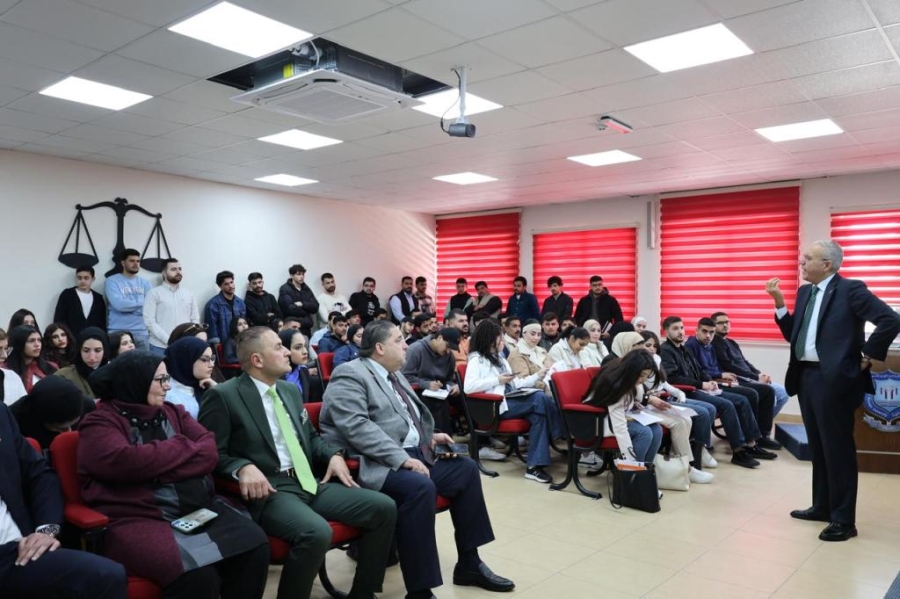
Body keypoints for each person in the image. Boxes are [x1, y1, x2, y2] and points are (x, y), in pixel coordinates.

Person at [320, 320, 515, 599]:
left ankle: (469, 563)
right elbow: (356, 427)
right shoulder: (350, 373)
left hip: (415, 453)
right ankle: (420, 590)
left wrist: (429, 436)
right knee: (421, 487)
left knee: (466, 470)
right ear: (379, 348)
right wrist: (401, 458)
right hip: (377, 462)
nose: (406, 345)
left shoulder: (394, 374)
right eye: (399, 340)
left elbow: (404, 419)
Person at [198, 327, 396, 599]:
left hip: (308, 480)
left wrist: (333, 455)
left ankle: (363, 593)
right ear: (257, 360)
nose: (286, 352)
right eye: (278, 347)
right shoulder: (224, 396)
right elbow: (210, 454)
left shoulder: (289, 390)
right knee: (316, 532)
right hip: (272, 489)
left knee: (383, 507)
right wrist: (241, 466)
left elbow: (310, 438)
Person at [79, 351, 270, 598]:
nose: (167, 386)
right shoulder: (100, 422)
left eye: (167, 378)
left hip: (197, 508)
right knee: (198, 575)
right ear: (135, 382)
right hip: (138, 517)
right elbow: (125, 463)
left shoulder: (172, 411)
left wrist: (156, 469)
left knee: (254, 545)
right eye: (160, 380)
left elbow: (209, 451)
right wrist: (182, 446)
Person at [766, 240, 900, 542]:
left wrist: (867, 356)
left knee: (837, 449)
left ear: (827, 264)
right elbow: (793, 335)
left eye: (807, 258)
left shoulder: (851, 290)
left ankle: (843, 520)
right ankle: (822, 506)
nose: (801, 263)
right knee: (819, 446)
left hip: (835, 380)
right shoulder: (805, 292)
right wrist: (779, 303)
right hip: (806, 377)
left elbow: (890, 320)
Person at [0, 402, 127, 599]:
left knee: (107, 576)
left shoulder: (1, 413)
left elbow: (40, 475)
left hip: (16, 551)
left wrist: (46, 530)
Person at [659, 316, 774, 468]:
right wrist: (702, 384)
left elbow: (699, 370)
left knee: (742, 400)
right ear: (666, 332)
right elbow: (673, 378)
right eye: (675, 328)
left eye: (681, 327)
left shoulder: (683, 348)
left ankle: (751, 444)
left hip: (700, 388)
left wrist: (710, 380)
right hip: (685, 392)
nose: (680, 332)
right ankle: (738, 451)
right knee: (727, 405)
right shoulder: (666, 350)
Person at [465, 319, 563, 484]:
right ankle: (559, 433)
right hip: (495, 405)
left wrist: (537, 376)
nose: (503, 341)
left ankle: (534, 467)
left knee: (539, 415)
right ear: (490, 340)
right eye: (500, 338)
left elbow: (515, 384)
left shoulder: (501, 359)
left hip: (510, 399)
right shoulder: (477, 360)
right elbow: (469, 387)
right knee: (540, 398)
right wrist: (497, 380)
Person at [608, 332, 712, 484]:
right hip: (606, 419)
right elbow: (618, 413)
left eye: (652, 346)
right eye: (641, 346)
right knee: (646, 432)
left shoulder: (638, 368)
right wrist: (630, 462)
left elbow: (639, 393)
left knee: (664, 427)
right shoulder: (617, 369)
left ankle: (649, 473)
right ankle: (635, 475)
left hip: (633, 410)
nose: (645, 350)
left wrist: (641, 400)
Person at [686, 317, 780, 449]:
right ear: (696, 330)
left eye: (711, 332)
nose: (708, 335)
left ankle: (762, 436)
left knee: (767, 390)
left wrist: (724, 375)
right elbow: (698, 371)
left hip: (719, 381)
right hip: (709, 385)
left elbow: (715, 367)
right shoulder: (690, 346)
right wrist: (719, 375)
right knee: (750, 394)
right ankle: (750, 439)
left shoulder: (710, 346)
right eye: (704, 331)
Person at [642, 330, 718, 469]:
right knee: (696, 415)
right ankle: (689, 464)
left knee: (694, 415)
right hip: (649, 405)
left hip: (664, 399)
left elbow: (664, 383)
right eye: (648, 345)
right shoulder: (638, 364)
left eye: (654, 346)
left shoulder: (657, 360)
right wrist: (651, 395)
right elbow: (639, 392)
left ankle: (691, 453)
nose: (652, 349)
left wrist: (679, 393)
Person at [583, 350, 663, 463]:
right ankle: (634, 469)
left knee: (657, 429)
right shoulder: (616, 385)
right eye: (642, 375)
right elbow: (619, 427)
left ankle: (646, 468)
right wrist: (629, 459)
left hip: (613, 415)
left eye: (647, 376)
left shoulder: (626, 375)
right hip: (597, 420)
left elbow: (630, 397)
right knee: (644, 433)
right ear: (632, 370)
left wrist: (633, 404)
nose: (644, 379)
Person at [711, 311, 791, 418]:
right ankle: (758, 424)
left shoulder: (732, 342)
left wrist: (759, 374)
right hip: (740, 379)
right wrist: (756, 377)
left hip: (751, 376)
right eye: (721, 323)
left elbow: (745, 362)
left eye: (727, 322)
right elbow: (730, 366)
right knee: (773, 398)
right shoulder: (714, 343)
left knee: (783, 393)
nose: (725, 325)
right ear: (713, 326)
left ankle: (760, 423)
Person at [400, 327, 462, 433]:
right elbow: (404, 377)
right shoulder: (416, 350)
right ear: (439, 338)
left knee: (466, 398)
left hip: (441, 389)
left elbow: (448, 379)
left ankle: (480, 436)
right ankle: (442, 438)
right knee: (439, 403)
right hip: (418, 390)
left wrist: (453, 386)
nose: (448, 351)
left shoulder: (449, 356)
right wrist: (426, 384)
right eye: (447, 346)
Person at [10, 376, 95, 450]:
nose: (69, 431)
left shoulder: (87, 407)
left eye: (73, 424)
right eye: (61, 428)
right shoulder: (14, 420)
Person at [144, 258, 200, 354]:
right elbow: (149, 321)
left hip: (184, 345)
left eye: (180, 269)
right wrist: (169, 340)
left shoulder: (189, 294)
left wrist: (189, 338)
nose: (178, 272)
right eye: (173, 269)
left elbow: (195, 319)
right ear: (164, 273)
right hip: (160, 347)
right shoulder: (154, 293)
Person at [105, 249, 153, 350]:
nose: (136, 264)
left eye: (138, 261)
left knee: (144, 361)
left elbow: (150, 308)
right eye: (132, 261)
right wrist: (142, 304)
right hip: (118, 332)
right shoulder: (111, 281)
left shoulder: (146, 283)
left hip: (141, 333)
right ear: (123, 263)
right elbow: (119, 305)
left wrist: (129, 307)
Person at [165, 337, 217, 419]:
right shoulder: (169, 397)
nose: (212, 364)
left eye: (212, 358)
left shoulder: (205, 385)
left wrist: (216, 388)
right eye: (205, 359)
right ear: (186, 361)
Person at [53, 327, 108, 398]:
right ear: (79, 351)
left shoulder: (115, 375)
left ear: (105, 351)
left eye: (97, 350)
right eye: (86, 350)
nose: (92, 357)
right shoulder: (63, 376)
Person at [53, 265, 107, 335]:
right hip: (71, 337)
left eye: (86, 278)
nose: (82, 281)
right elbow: (59, 319)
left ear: (93, 279)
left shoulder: (98, 298)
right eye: (79, 278)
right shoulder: (67, 294)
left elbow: (102, 323)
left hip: (92, 338)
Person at [6, 326, 57, 393]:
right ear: (19, 343)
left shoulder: (51, 366)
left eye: (39, 340)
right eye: (31, 341)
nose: (37, 344)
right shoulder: (5, 370)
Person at [204, 270, 247, 347]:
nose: (230, 286)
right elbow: (212, 329)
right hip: (223, 344)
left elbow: (244, 323)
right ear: (220, 286)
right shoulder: (212, 305)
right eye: (226, 284)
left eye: (231, 282)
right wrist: (217, 347)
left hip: (240, 342)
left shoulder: (240, 302)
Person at [507, 321, 551, 391]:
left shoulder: (542, 351)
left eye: (539, 334)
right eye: (533, 334)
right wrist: (548, 386)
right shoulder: (517, 354)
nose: (536, 338)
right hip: (533, 392)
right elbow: (523, 381)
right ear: (523, 334)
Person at [278, 264, 319, 338]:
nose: (302, 276)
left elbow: (316, 306)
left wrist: (302, 304)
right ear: (291, 275)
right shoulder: (285, 289)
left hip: (307, 327)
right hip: (293, 327)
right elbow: (289, 309)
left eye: (303, 274)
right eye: (298, 274)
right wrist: (307, 310)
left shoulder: (306, 288)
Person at [278, 329, 312, 403]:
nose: (305, 352)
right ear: (285, 349)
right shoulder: (275, 376)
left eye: (304, 346)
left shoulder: (303, 371)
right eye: (298, 348)